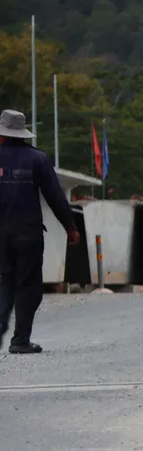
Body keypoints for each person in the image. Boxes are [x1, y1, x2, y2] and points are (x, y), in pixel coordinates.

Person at [0, 109, 80, 353]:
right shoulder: (38, 159)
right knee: (28, 286)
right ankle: (20, 341)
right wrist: (70, 228)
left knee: (5, 283)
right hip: (28, 234)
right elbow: (55, 197)